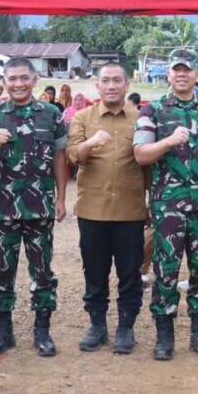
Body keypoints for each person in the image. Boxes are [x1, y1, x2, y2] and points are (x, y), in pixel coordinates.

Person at [134, 48, 198, 361]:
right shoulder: (153, 111)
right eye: (177, 69)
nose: (182, 74)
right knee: (166, 269)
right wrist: (169, 141)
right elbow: (141, 155)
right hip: (168, 207)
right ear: (169, 74)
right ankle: (164, 334)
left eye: (188, 69)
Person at [0, 57, 69, 357]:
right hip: (4, 208)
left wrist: (62, 198)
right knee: (3, 270)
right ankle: (4, 332)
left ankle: (42, 331)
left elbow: (59, 158)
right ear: (3, 81)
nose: (18, 84)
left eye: (23, 78)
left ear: (34, 80)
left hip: (40, 206)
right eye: (12, 79)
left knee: (42, 271)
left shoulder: (52, 114)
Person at [66, 63, 145, 354]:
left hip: (130, 210)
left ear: (126, 85)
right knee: (95, 272)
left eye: (117, 81)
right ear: (96, 86)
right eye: (105, 81)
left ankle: (126, 327)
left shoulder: (141, 118)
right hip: (92, 211)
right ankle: (97, 326)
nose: (111, 86)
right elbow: (73, 156)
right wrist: (90, 143)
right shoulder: (83, 118)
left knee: (130, 273)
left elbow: (148, 165)